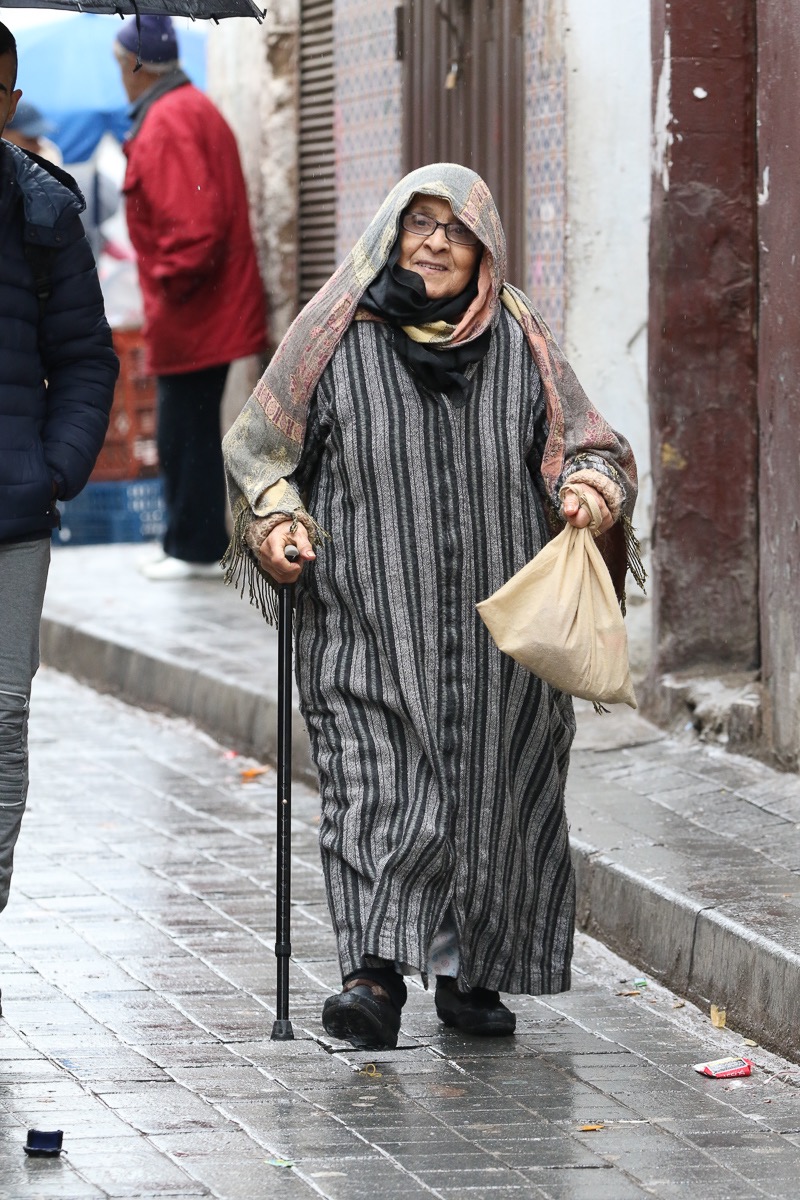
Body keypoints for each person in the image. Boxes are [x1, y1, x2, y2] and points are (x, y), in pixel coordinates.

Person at [223, 164, 642, 1050]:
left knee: (499, 797)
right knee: (377, 786)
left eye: (457, 230)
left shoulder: (520, 335)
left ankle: (472, 975)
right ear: (392, 231)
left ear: (484, 247)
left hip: (503, 633)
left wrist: (590, 489)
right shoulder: (336, 332)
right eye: (420, 224)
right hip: (369, 617)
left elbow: (593, 442)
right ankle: (372, 977)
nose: (437, 243)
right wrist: (279, 522)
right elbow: (262, 451)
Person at [0, 24, 118, 961]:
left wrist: (56, 469)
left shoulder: (42, 211)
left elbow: (85, 358)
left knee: (0, 723)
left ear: (9, 101)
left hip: (11, 516)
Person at [114, 15, 266, 581]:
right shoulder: (180, 111)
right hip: (199, 308)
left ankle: (195, 547)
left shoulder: (172, 119)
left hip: (197, 309)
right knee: (188, 426)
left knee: (188, 429)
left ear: (137, 65)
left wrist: (169, 287)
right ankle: (186, 540)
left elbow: (193, 229)